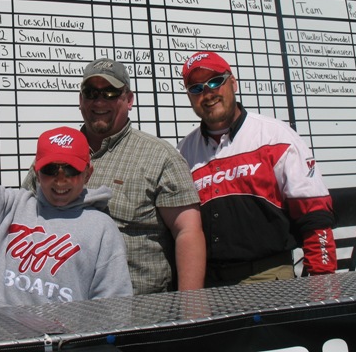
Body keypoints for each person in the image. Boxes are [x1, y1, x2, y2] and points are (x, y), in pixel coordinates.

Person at [23, 58, 206, 295]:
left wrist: (191, 305)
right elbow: (24, 219)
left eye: (110, 93)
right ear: (81, 100)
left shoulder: (161, 157)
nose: (99, 101)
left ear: (129, 100)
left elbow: (187, 231)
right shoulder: (54, 154)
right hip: (60, 302)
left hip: (138, 307)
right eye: (91, 93)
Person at [0, 116, 133, 308]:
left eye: (70, 170)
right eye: (50, 170)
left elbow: (113, 306)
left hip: (64, 338)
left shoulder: (103, 228)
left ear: (88, 173)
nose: (60, 180)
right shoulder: (8, 207)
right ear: (37, 173)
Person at [177, 51, 337, 287]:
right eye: (197, 88)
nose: (208, 93)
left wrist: (322, 282)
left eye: (215, 81)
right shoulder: (183, 152)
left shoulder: (276, 136)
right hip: (208, 283)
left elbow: (314, 214)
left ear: (233, 82)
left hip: (268, 278)